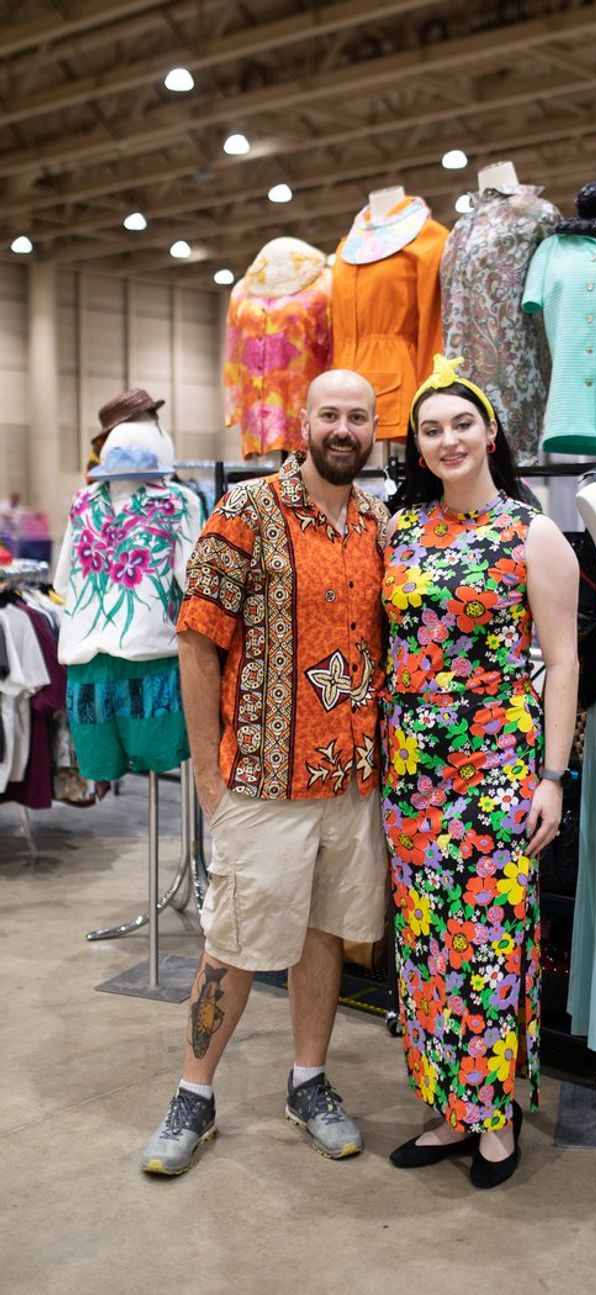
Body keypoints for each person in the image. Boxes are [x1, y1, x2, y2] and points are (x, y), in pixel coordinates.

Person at [141, 370, 390, 1176]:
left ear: (373, 429)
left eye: (358, 416)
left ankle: (308, 1081)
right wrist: (210, 781)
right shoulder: (245, 510)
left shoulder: (381, 523)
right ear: (303, 422)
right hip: (260, 781)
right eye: (330, 414)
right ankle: (193, 1091)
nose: (343, 428)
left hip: (352, 782)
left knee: (322, 935)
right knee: (236, 944)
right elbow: (196, 637)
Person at [380, 354, 579, 1188]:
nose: (448, 437)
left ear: (490, 433)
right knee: (426, 947)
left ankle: (495, 1118)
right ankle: (446, 1109)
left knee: (491, 943)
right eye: (431, 429)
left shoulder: (532, 532)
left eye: (462, 422)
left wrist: (552, 777)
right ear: (419, 449)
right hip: (410, 775)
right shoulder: (400, 532)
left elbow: (562, 661)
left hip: (495, 769)